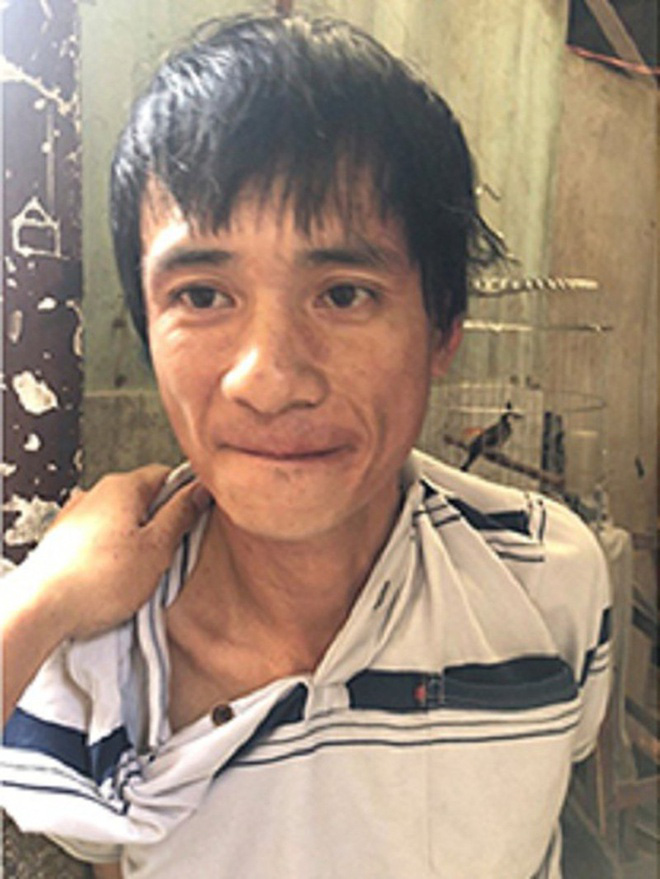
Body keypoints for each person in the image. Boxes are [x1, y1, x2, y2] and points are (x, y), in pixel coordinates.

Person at [1, 12, 611, 879]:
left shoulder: (547, 582)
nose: (271, 378)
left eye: (345, 293)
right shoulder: (96, 652)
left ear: (443, 329)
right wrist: (38, 602)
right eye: (202, 295)